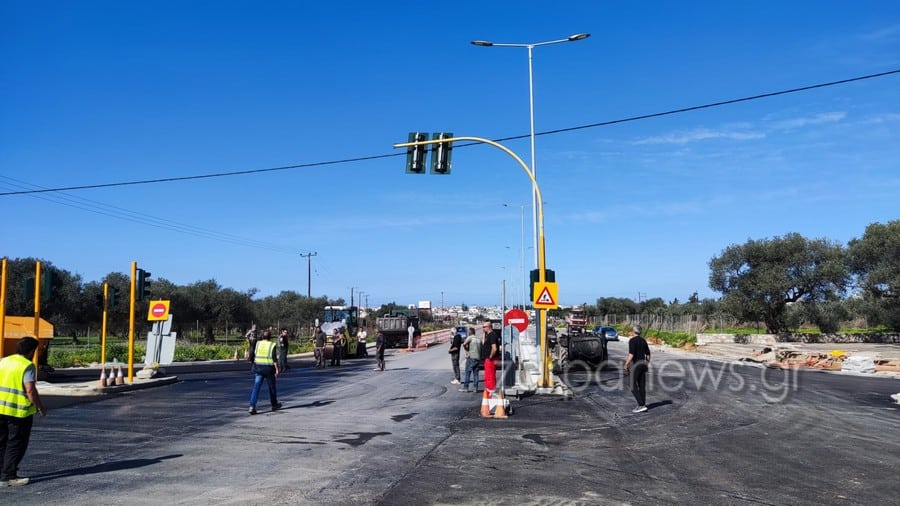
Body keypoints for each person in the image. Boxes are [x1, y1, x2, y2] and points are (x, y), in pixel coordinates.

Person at [0, 336, 48, 487]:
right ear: (32, 351)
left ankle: (2, 473)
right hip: (18, 412)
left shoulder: (4, 361)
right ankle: (8, 476)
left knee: (1, 442)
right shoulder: (27, 366)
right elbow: (30, 390)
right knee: (16, 443)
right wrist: (40, 407)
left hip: (0, 409)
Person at [248, 330, 281, 415]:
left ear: (262, 336)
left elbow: (253, 352)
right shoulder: (272, 345)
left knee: (256, 387)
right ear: (270, 337)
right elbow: (274, 358)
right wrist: (277, 369)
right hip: (269, 368)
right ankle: (274, 404)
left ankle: (252, 406)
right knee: (271, 387)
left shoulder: (258, 343)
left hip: (258, 367)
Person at [623, 324, 651, 413]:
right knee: (641, 385)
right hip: (643, 364)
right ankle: (643, 405)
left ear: (633, 331)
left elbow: (631, 354)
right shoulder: (643, 340)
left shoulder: (632, 341)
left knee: (631, 384)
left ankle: (641, 404)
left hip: (636, 365)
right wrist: (647, 363)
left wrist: (626, 364)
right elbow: (648, 354)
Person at [481, 322, 501, 394]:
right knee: (488, 374)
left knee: (490, 375)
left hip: (491, 359)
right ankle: (489, 389)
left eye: (484, 327)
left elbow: (494, 348)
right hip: (489, 359)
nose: (483, 328)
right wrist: (484, 334)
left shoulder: (492, 335)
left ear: (489, 327)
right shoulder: (488, 335)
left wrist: (490, 356)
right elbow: (483, 343)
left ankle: (491, 390)